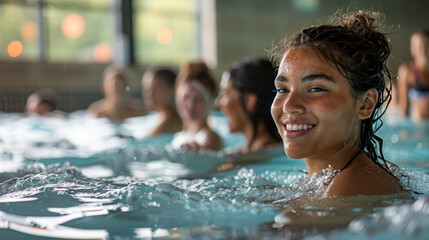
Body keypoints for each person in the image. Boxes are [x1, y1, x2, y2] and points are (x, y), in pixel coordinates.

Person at [269, 11, 403, 197]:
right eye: (283, 90)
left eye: (315, 89)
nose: (289, 106)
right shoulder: (332, 182)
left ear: (365, 103)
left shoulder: (356, 184)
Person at [216, 58, 282, 160]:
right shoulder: (242, 152)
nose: (218, 103)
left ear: (248, 101)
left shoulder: (270, 157)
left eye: (224, 94)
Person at [171, 60, 222, 152]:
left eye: (198, 99)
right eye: (186, 97)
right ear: (177, 99)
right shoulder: (180, 136)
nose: (191, 105)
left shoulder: (210, 138)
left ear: (210, 102)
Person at [397, 29, 429, 121]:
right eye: (418, 46)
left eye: (426, 45)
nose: (422, 50)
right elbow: (404, 109)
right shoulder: (407, 72)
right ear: (412, 49)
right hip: (418, 128)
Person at [141, 67, 182, 136]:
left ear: (173, 90)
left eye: (156, 87)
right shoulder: (158, 117)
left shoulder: (170, 121)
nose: (149, 93)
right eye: (146, 87)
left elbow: (146, 142)